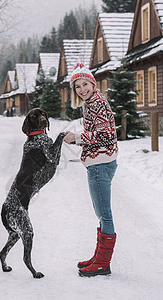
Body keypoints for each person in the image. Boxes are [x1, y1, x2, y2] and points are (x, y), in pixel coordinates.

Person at [64, 62, 118, 277]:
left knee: (104, 214)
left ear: (93, 84)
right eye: (77, 86)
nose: (82, 89)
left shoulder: (96, 103)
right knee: (101, 213)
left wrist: (76, 138)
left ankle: (102, 264)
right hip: (103, 161)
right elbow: (101, 131)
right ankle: (99, 257)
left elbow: (107, 135)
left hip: (99, 164)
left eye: (85, 84)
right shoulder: (96, 101)